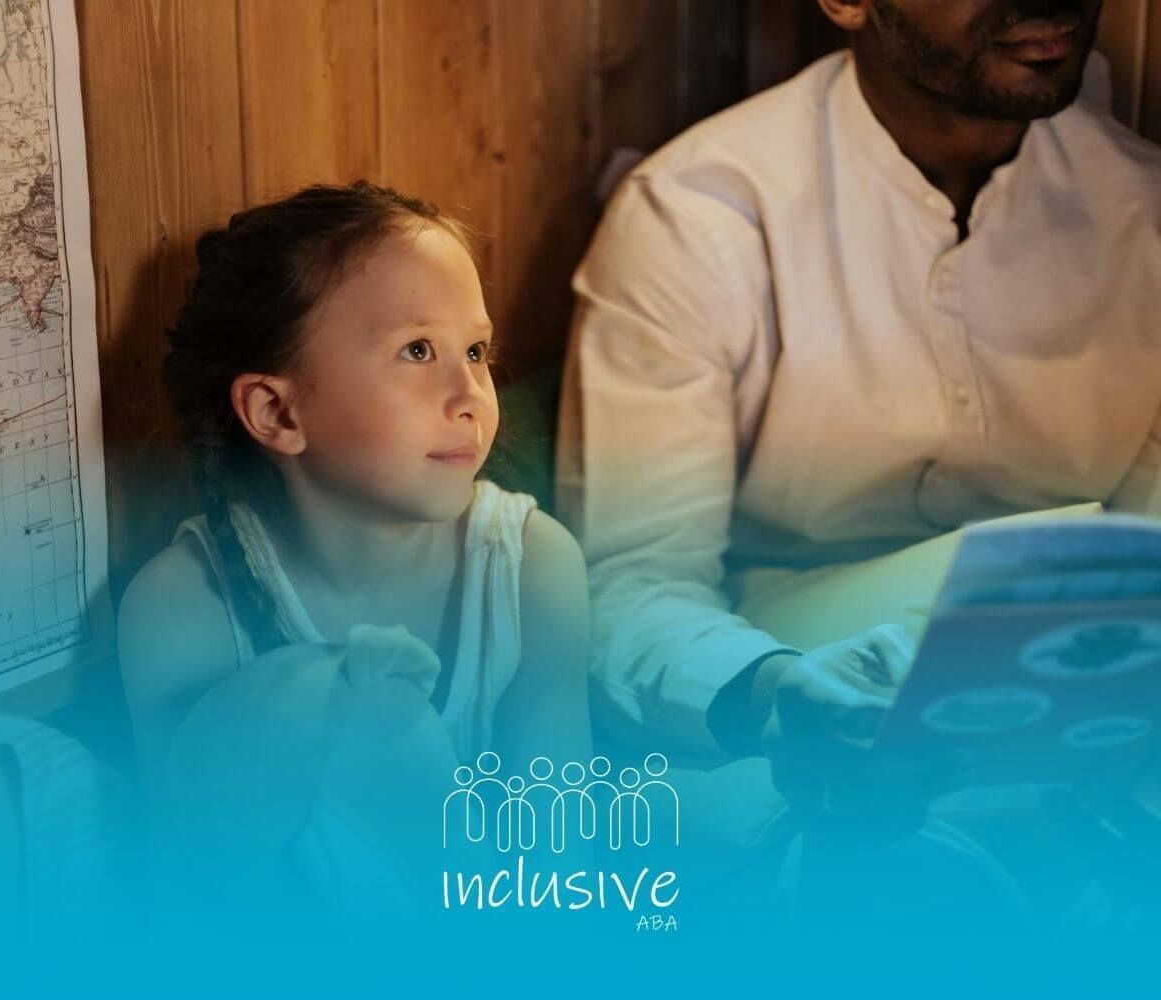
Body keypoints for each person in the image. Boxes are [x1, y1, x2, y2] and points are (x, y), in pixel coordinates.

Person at [555, 0, 1161, 780]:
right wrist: (773, 693)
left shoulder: (1144, 216)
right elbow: (631, 582)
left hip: (1082, 702)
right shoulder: (698, 216)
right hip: (779, 671)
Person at [116, 182, 592, 919]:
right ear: (277, 411)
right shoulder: (183, 610)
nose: (470, 393)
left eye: (476, 350)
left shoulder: (534, 570)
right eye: (417, 350)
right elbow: (196, 901)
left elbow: (561, 876)